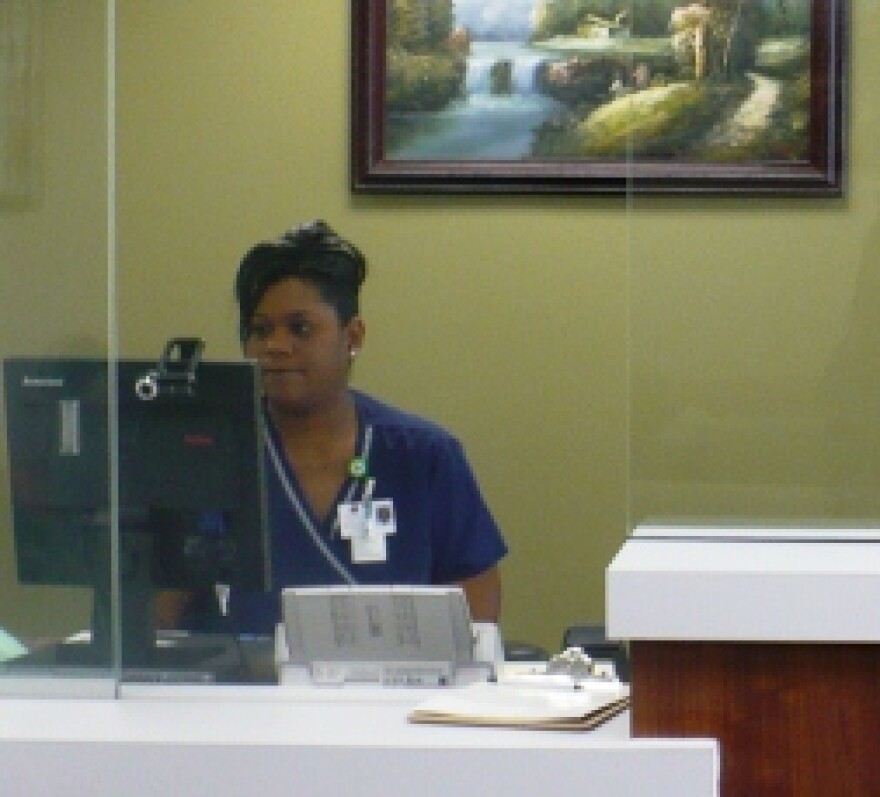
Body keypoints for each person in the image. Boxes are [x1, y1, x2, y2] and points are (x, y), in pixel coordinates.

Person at [180, 220, 507, 636]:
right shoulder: (211, 452)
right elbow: (156, 618)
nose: (276, 346)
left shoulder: (423, 455)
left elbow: (475, 618)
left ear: (352, 335)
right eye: (261, 330)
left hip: (393, 694)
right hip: (246, 692)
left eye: (300, 328)